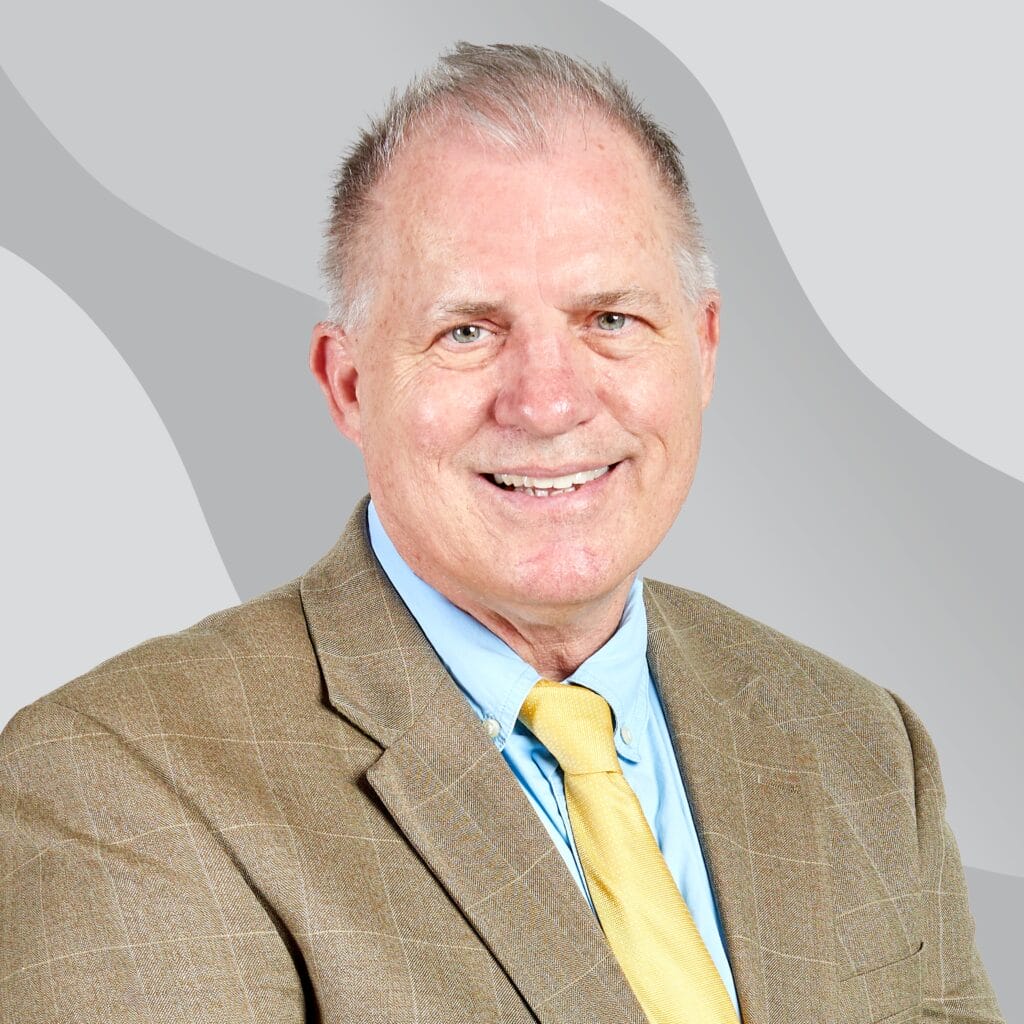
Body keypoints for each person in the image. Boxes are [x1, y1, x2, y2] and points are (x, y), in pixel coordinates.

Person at [0, 41, 1003, 1024]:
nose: (548, 399)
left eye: (609, 317)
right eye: (467, 331)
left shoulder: (856, 741)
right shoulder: (122, 783)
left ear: (701, 350)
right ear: (348, 385)